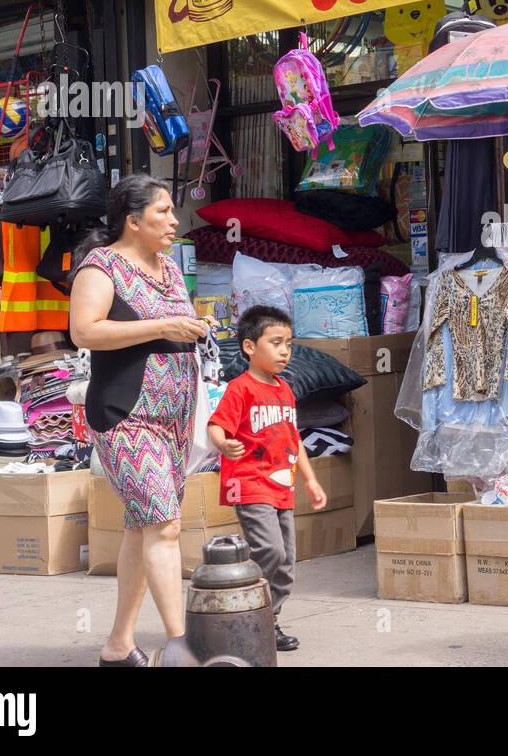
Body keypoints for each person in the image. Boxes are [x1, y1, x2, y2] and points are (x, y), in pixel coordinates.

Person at [69, 174, 207, 667]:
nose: (174, 220)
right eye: (163, 211)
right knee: (164, 527)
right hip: (126, 415)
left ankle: (118, 646)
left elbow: (171, 329)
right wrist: (163, 326)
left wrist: (193, 328)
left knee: (142, 528)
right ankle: (183, 645)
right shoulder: (100, 266)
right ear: (132, 220)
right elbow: (84, 331)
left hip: (174, 420)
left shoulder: (168, 268)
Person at [208, 305, 326, 652]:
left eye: (288, 343)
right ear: (249, 346)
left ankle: (266, 620)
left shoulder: (285, 390)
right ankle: (241, 609)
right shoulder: (240, 389)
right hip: (249, 483)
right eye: (275, 343)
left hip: (282, 486)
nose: (285, 351)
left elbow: (294, 439)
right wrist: (223, 444)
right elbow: (216, 424)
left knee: (286, 561)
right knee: (270, 550)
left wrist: (311, 480)